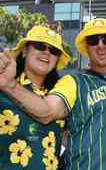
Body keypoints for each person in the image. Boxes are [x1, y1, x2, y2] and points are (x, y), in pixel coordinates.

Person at [0, 18, 106, 170]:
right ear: (86, 47)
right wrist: (8, 84)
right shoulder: (72, 82)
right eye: (93, 40)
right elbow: (48, 112)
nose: (101, 45)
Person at [0, 26, 71, 169]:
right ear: (25, 50)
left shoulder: (59, 98)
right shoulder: (3, 86)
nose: (46, 53)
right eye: (40, 46)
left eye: (53, 51)